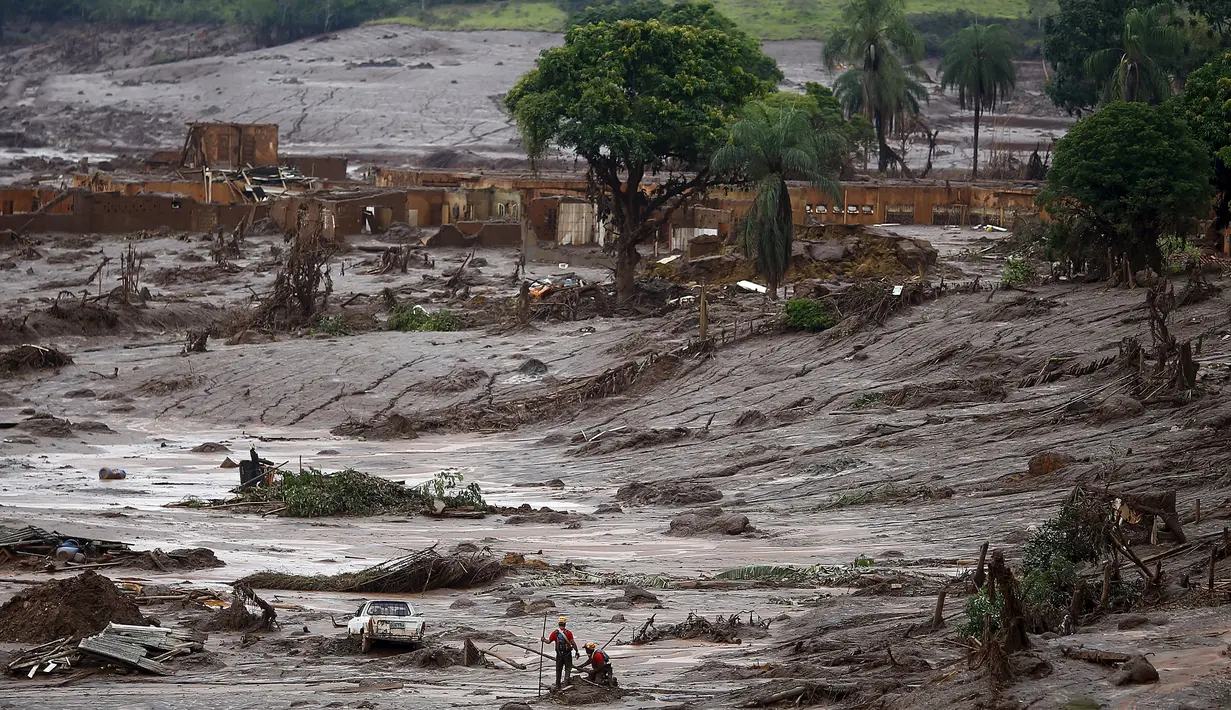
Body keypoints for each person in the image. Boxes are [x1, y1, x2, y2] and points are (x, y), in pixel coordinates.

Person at [541, 616, 579, 689]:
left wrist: (543, 639)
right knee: (568, 668)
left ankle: (557, 685)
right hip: (567, 654)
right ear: (565, 624)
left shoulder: (554, 633)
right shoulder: (568, 633)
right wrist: (577, 651)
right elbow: (573, 643)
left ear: (559, 623)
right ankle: (566, 683)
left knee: (558, 669)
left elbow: (548, 642)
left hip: (559, 654)